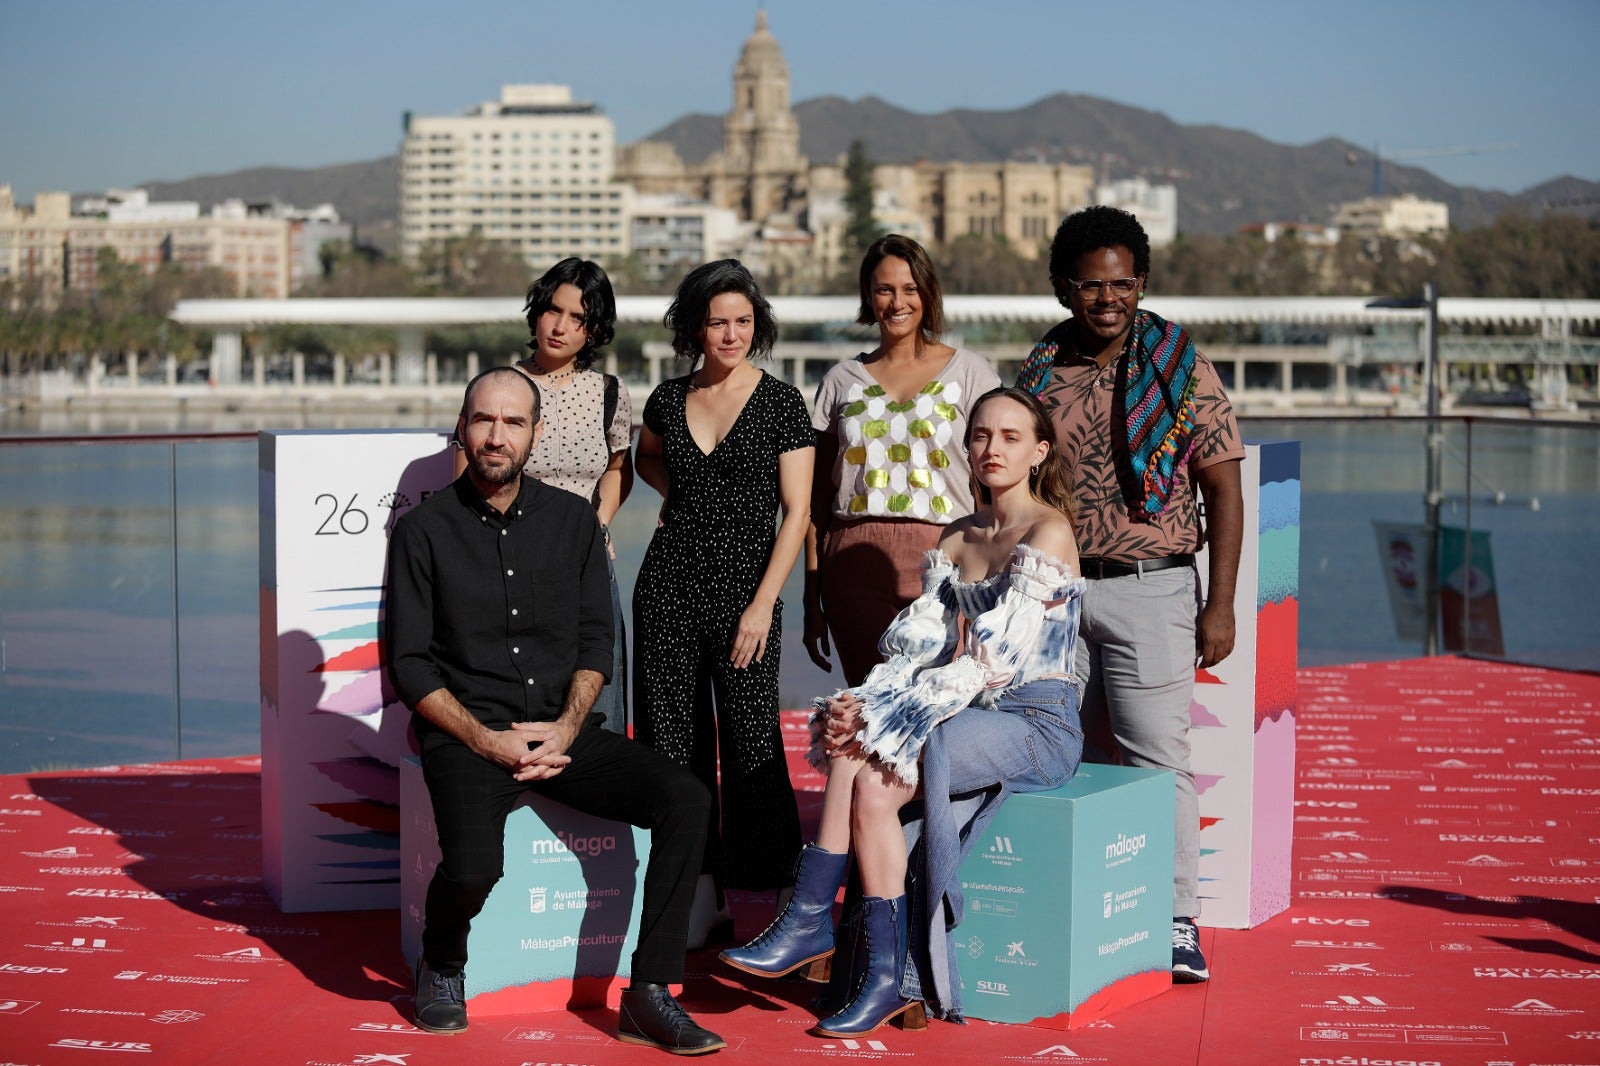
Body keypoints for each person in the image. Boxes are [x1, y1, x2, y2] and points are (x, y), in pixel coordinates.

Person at [720, 387, 1085, 1035]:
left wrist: (891, 711)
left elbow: (993, 663)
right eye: (980, 436)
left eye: (1008, 437)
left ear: (1039, 451)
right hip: (959, 710)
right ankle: (828, 934)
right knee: (854, 739)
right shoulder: (955, 535)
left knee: (876, 762)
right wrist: (869, 700)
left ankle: (848, 945)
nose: (991, 449)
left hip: (1035, 721)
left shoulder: (1049, 531)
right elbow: (916, 650)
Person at [387, 367, 724, 1055]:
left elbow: (596, 642)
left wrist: (568, 727)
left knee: (686, 798)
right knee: (476, 868)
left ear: (536, 434)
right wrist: (485, 740)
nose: (496, 435)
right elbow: (410, 663)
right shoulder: (423, 530)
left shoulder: (573, 522)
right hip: (469, 736)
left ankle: (651, 993)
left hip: (563, 732)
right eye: (484, 420)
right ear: (462, 425)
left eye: (513, 422)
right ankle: (443, 963)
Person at [1015, 205, 1244, 984]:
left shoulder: (1181, 367)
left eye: (1124, 283)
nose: (1108, 298)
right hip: (1060, 593)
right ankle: (1071, 900)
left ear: (1140, 282)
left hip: (1154, 589)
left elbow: (1224, 487)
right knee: (1055, 753)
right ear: (1063, 287)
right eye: (1092, 284)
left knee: (1156, 759)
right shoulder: (1040, 373)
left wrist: (1220, 603)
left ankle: (1178, 920)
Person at [632, 259, 814, 947]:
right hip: (667, 588)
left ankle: (791, 900)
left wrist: (764, 604)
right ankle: (699, 896)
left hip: (747, 596)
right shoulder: (666, 400)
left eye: (742, 321)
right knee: (672, 749)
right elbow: (650, 459)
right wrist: (677, 496)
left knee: (752, 747)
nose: (731, 333)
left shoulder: (780, 403)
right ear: (695, 328)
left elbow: (796, 513)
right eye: (718, 322)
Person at [804, 234, 1000, 687]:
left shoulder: (972, 374)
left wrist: (989, 576)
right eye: (884, 289)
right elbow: (816, 500)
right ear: (867, 297)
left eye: (909, 289)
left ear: (927, 294)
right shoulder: (839, 382)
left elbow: (995, 482)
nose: (897, 302)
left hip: (947, 557)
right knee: (870, 710)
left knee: (939, 704)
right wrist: (810, 599)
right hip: (852, 563)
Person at [451, 257, 634, 733]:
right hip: (512, 565)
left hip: (587, 563)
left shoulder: (608, 393)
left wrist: (601, 521)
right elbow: (465, 483)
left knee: (599, 698)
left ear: (594, 331)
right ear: (536, 312)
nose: (561, 327)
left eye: (579, 319)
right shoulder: (498, 390)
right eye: (554, 310)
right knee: (518, 699)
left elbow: (617, 469)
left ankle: (599, 802)